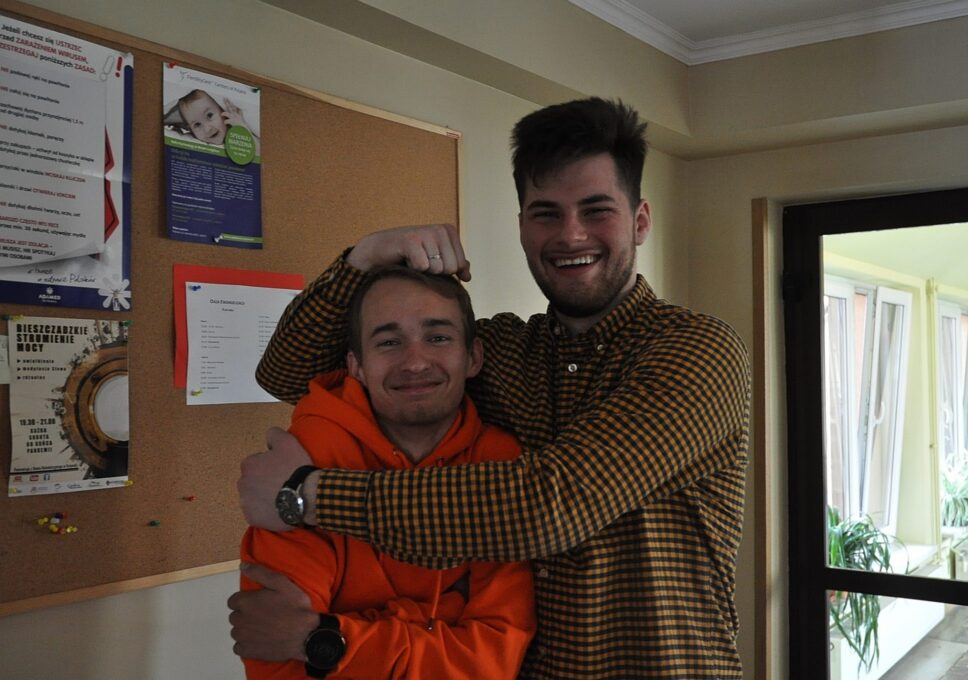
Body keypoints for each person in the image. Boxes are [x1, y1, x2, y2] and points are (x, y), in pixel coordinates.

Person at [231, 97, 751, 678]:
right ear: (523, 228)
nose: (571, 234)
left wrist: (306, 495)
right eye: (546, 213)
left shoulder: (695, 350)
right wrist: (362, 260)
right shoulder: (502, 352)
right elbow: (287, 372)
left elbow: (550, 504)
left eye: (596, 209)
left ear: (641, 220)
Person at [237, 266, 534, 678]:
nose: (415, 363)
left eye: (438, 337)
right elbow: (278, 666)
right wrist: (436, 622)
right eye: (389, 342)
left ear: (473, 357)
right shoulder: (302, 461)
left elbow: (493, 661)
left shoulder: (502, 461)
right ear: (356, 366)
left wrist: (327, 639)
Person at [166, 89, 261, 153]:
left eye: (209, 115)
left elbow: (259, 153)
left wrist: (242, 128)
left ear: (222, 110)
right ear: (190, 129)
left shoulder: (238, 139)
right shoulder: (193, 140)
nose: (207, 129)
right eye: (197, 124)